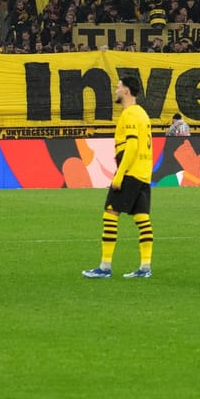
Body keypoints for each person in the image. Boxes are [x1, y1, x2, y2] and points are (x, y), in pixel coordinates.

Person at [84, 76, 154, 279]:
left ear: (127, 90)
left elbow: (131, 146)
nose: (115, 90)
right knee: (142, 219)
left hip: (130, 172)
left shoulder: (130, 114)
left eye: (118, 87)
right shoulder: (142, 114)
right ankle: (145, 267)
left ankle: (105, 267)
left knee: (110, 214)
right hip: (142, 173)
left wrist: (120, 175)